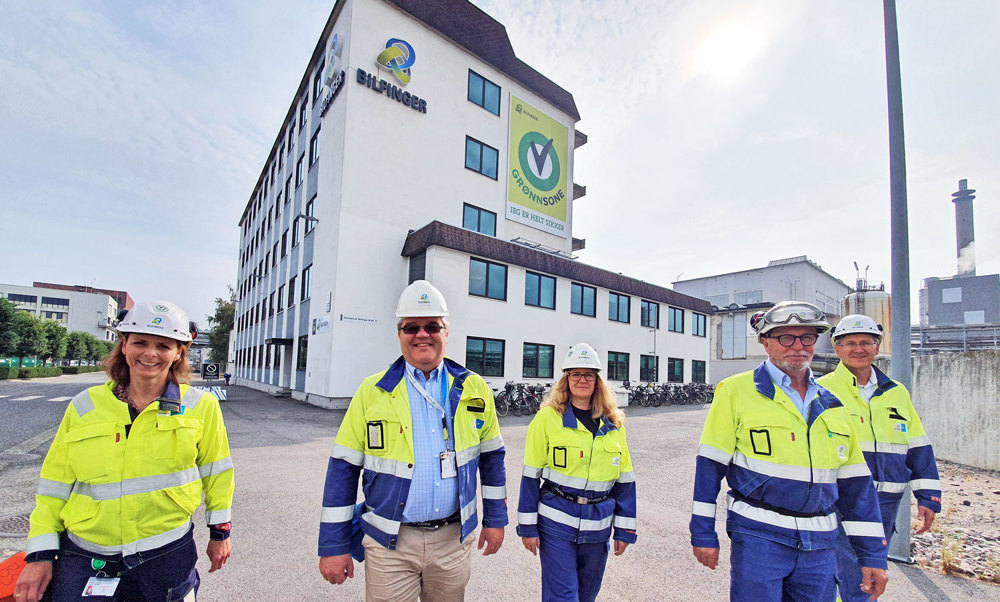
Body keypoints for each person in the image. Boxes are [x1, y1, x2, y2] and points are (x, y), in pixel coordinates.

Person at [15, 301, 235, 602]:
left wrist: (220, 533)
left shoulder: (200, 406)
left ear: (179, 352)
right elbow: (54, 486)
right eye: (140, 342)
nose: (150, 353)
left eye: (163, 345)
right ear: (124, 345)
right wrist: (39, 554)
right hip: (86, 555)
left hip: (166, 553)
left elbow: (218, 474)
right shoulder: (84, 406)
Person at [318, 280, 507, 601]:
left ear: (446, 331)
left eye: (432, 326)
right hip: (389, 543)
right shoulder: (372, 391)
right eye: (411, 327)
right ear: (399, 334)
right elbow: (343, 470)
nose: (422, 334)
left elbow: (492, 459)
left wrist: (496, 519)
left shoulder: (475, 389)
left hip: (452, 541)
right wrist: (333, 545)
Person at [690, 301, 888, 601]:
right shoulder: (736, 391)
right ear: (765, 342)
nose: (797, 346)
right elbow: (709, 467)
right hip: (759, 535)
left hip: (821, 542)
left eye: (806, 337)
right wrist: (703, 532)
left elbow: (857, 488)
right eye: (786, 337)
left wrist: (872, 555)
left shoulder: (833, 403)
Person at [818, 315, 941, 601]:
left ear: (877, 347)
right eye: (850, 343)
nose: (858, 349)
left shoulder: (896, 392)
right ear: (837, 348)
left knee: (871, 572)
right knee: (851, 575)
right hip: (840, 499)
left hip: (886, 503)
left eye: (866, 342)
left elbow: (917, 445)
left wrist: (928, 497)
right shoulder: (821, 390)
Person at [517, 343, 637, 602]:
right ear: (566, 379)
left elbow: (625, 481)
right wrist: (527, 527)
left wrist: (626, 529)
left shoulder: (614, 424)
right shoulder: (547, 419)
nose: (582, 380)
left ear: (597, 381)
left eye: (589, 374)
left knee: (587, 595)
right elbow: (530, 476)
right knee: (564, 597)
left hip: (598, 526)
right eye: (576, 374)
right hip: (556, 523)